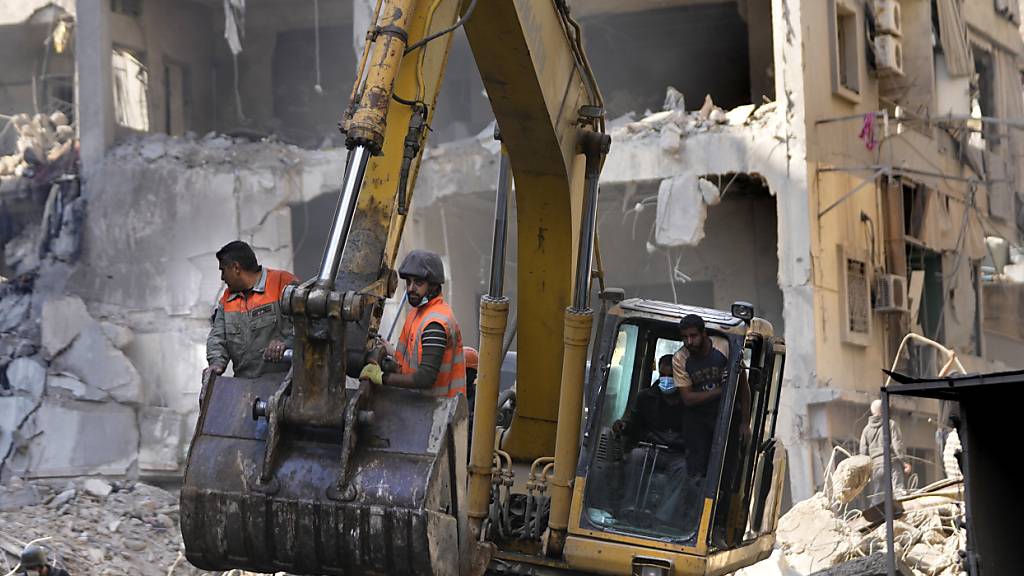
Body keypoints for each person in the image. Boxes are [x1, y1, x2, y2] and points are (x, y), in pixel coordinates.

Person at [360, 250, 467, 398]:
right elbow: (413, 359)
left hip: (439, 413)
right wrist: (392, 352)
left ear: (434, 286)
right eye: (408, 282)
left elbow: (425, 378)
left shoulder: (435, 323)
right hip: (421, 408)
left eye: (418, 283)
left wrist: (382, 377)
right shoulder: (418, 314)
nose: (410, 288)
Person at [611, 355, 689, 523]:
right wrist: (623, 426)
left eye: (671, 377)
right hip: (651, 447)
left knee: (685, 469)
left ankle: (663, 518)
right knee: (635, 457)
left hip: (677, 453)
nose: (666, 380)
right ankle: (628, 507)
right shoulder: (645, 397)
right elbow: (634, 423)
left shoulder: (689, 401)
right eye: (663, 376)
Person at [205, 241, 297, 380]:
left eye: (223, 270)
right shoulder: (227, 299)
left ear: (236, 268)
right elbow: (218, 337)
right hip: (246, 387)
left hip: (285, 385)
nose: (222, 278)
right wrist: (216, 363)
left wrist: (285, 344)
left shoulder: (282, 283)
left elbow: (310, 326)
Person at [672, 314, 748, 476]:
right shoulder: (680, 358)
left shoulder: (725, 347)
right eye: (685, 337)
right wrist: (722, 390)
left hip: (726, 415)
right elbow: (688, 399)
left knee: (727, 467)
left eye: (693, 336)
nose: (689, 342)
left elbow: (742, 387)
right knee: (696, 469)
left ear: (704, 333)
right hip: (697, 419)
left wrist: (744, 422)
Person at [859, 398, 911, 505]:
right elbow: (898, 446)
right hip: (892, 465)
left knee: (878, 495)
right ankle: (903, 517)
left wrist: (866, 471)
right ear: (884, 410)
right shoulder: (891, 424)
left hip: (876, 468)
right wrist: (905, 462)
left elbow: (863, 452)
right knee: (898, 492)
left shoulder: (866, 430)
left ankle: (877, 517)